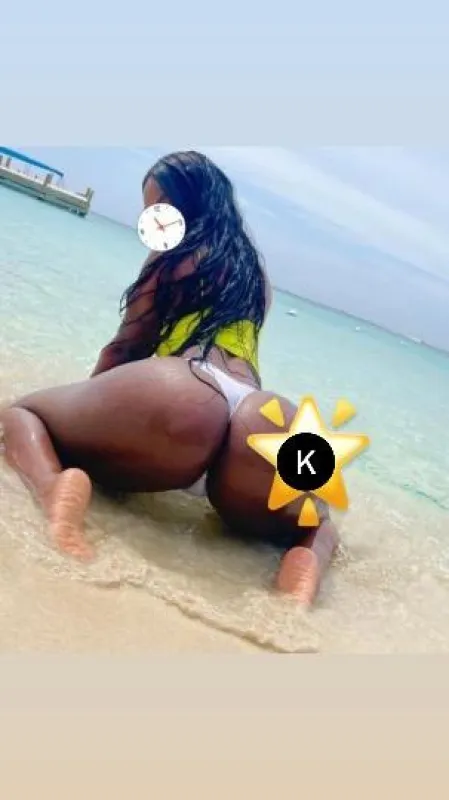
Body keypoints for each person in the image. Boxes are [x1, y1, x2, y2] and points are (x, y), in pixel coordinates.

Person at [1, 151, 338, 605]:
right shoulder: (256, 278)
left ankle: (53, 488)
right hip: (261, 418)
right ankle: (303, 570)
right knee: (317, 522)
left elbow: (127, 346)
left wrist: (91, 414)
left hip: (183, 397)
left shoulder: (172, 255)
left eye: (158, 209)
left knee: (22, 414)